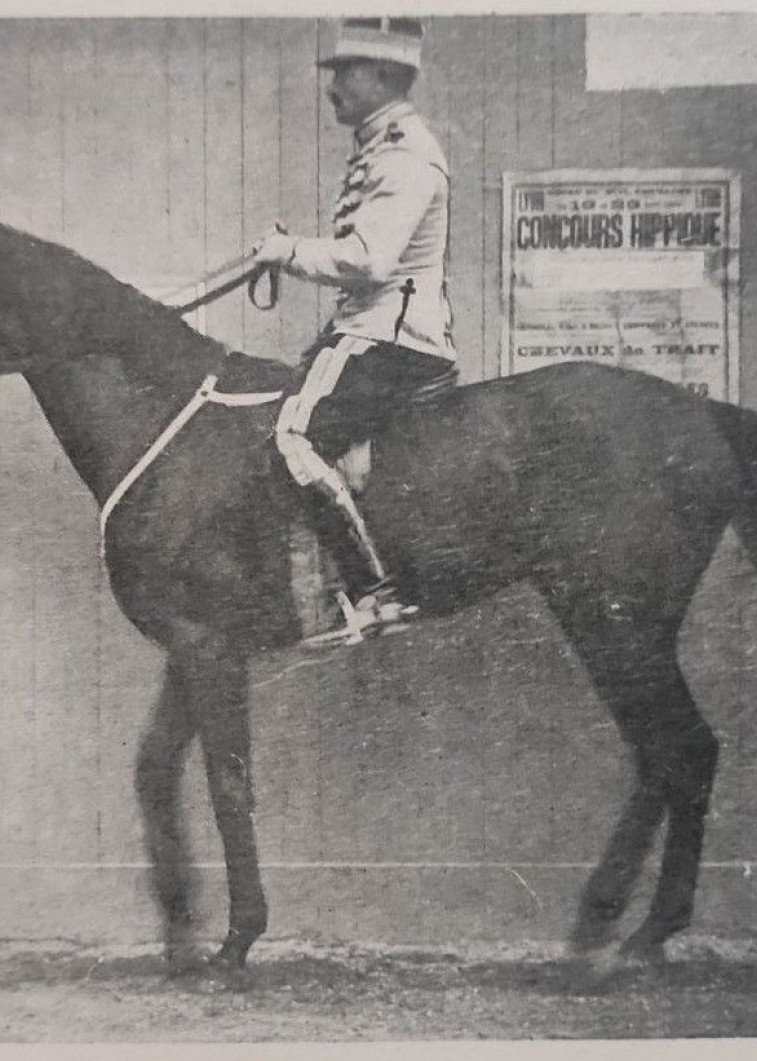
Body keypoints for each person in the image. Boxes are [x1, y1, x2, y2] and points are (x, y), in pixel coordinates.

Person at [252, 16, 457, 643]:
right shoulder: (379, 145)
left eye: (346, 72)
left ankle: (374, 595)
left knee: (292, 437)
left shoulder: (405, 152)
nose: (333, 85)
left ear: (383, 75)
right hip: (370, 327)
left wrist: (288, 252)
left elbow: (369, 257)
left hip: (390, 336)